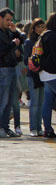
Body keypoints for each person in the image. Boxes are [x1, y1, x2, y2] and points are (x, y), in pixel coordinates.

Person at [0, 8, 23, 138]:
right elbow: (2, 50)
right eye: (7, 20)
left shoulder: (8, 31)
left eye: (11, 20)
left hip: (11, 68)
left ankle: (5, 127)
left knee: (9, 101)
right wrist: (12, 45)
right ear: (0, 18)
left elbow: (22, 41)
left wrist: (15, 33)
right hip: (3, 69)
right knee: (3, 100)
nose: (9, 22)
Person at [24, 18, 46, 137]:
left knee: (41, 102)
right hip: (33, 75)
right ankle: (33, 128)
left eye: (43, 27)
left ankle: (39, 127)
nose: (41, 29)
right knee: (34, 103)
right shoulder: (29, 42)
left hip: (42, 74)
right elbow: (26, 59)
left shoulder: (43, 40)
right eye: (39, 27)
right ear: (34, 28)